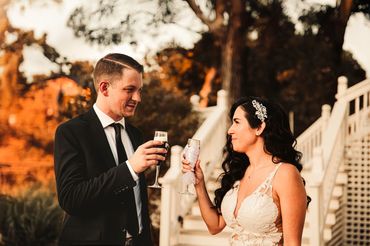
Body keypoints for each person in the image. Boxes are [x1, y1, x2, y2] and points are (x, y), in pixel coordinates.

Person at [54, 53, 166, 246]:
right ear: (104, 88)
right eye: (130, 90)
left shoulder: (135, 135)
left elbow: (138, 201)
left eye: (140, 90)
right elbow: (71, 199)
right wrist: (129, 168)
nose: (138, 98)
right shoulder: (71, 132)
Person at [182, 96, 309, 245]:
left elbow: (292, 243)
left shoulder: (285, 174)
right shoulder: (240, 172)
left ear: (259, 127)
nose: (230, 131)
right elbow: (215, 226)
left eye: (237, 122)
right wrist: (199, 184)